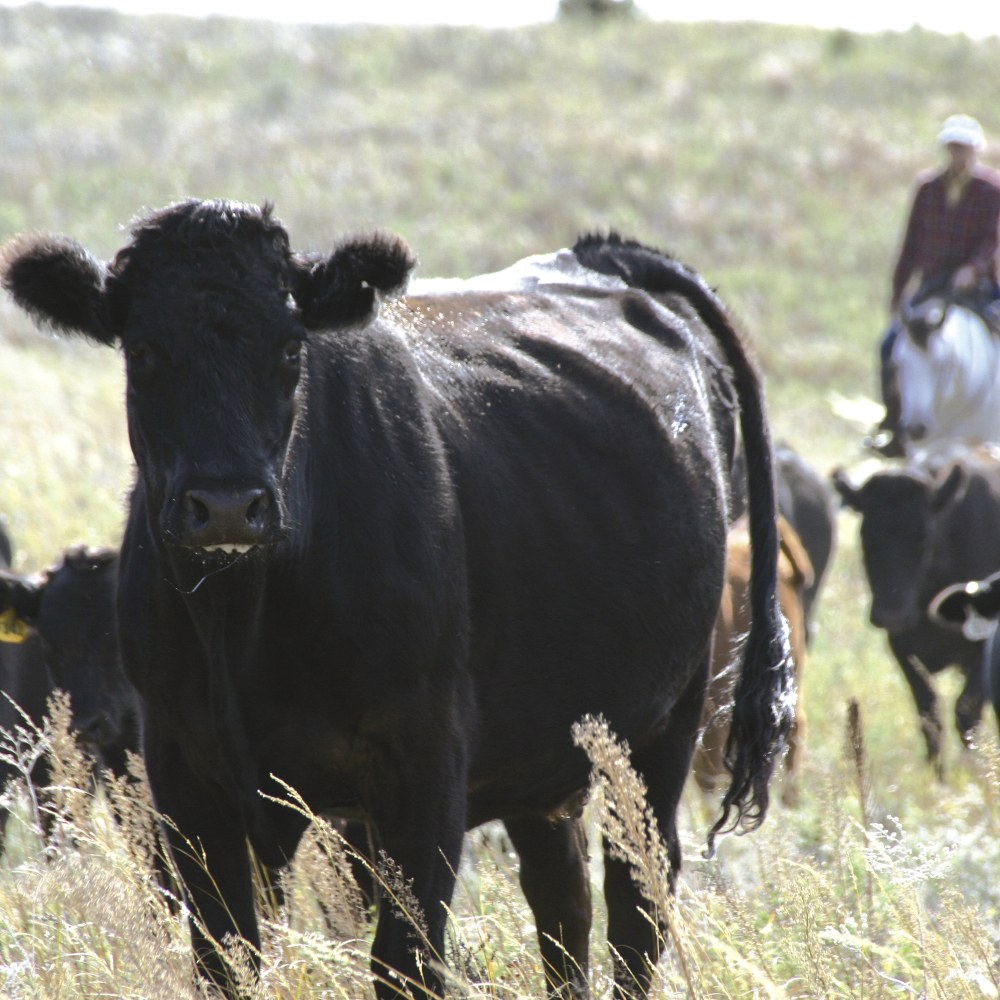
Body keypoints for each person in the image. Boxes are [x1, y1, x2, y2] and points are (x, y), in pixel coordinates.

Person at [871, 113, 1000, 457]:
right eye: (952, 148)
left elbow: (993, 239)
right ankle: (894, 423)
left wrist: (974, 269)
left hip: (979, 289)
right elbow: (910, 242)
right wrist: (899, 291)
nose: (958, 155)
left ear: (976, 150)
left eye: (964, 148)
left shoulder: (991, 190)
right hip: (934, 286)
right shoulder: (927, 188)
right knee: (889, 347)